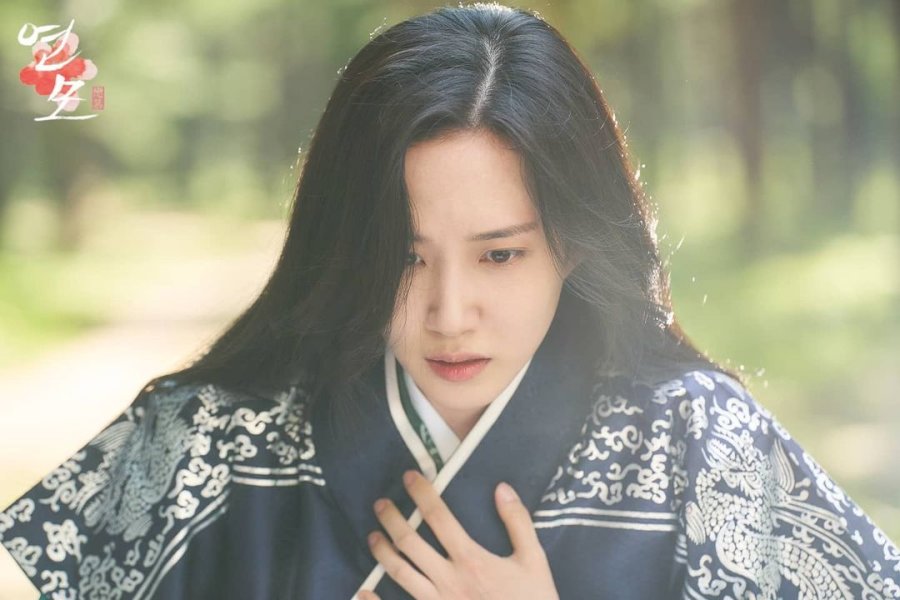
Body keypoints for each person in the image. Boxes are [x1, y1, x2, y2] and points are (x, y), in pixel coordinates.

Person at [2, 3, 898, 599]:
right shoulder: (203, 438)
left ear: (576, 241)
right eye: (402, 257)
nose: (450, 312)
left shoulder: (704, 444)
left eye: (500, 254)